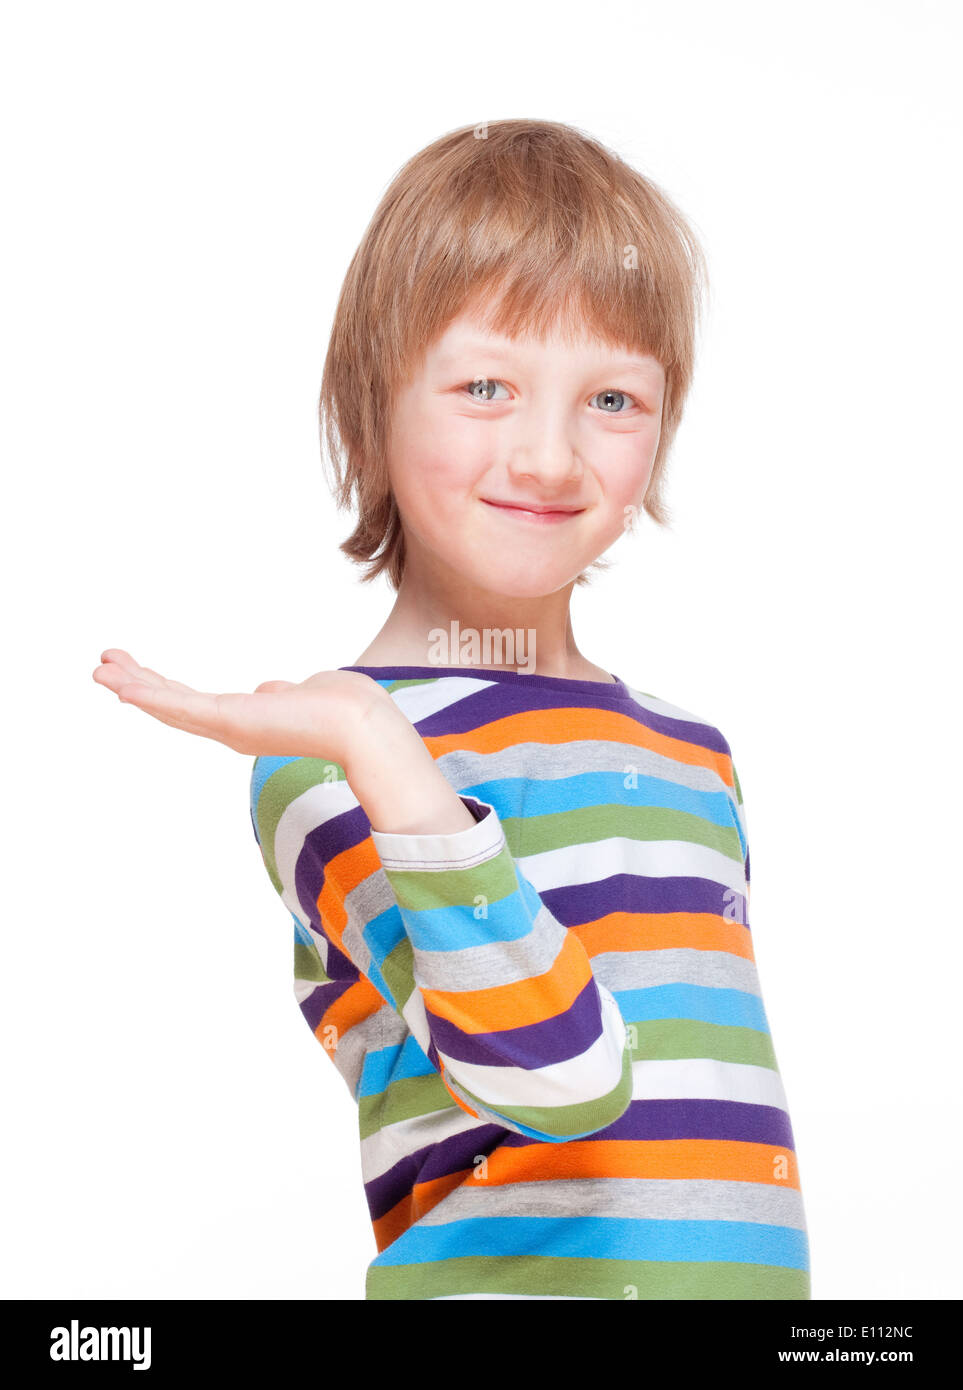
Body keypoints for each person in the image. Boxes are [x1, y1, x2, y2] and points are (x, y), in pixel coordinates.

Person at [93, 118, 811, 1300]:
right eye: (486, 386)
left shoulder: (696, 754)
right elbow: (557, 1080)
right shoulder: (329, 755)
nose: (549, 456)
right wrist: (381, 749)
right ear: (371, 407)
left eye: (613, 398)